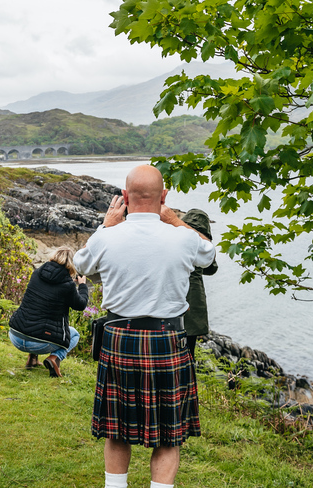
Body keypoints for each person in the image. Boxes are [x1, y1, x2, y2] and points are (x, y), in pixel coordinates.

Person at [74, 165, 215, 488]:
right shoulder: (182, 238)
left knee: (117, 428)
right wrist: (177, 221)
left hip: (119, 339)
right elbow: (208, 256)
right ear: (164, 196)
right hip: (167, 340)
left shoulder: (108, 237)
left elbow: (81, 264)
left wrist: (105, 226)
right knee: (168, 436)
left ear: (124, 197)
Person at [8, 246, 88, 377]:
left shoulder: (37, 273)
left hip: (16, 335)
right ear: (71, 264)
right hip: (38, 343)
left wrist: (70, 285)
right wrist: (83, 285)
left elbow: (51, 287)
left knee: (36, 318)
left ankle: (32, 359)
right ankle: (55, 358)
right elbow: (81, 305)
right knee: (74, 335)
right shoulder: (68, 285)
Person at [181, 209, 219, 358]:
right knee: (188, 353)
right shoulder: (202, 247)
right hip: (193, 304)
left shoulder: (177, 243)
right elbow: (211, 269)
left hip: (171, 303)